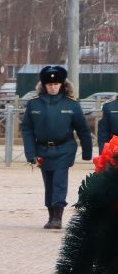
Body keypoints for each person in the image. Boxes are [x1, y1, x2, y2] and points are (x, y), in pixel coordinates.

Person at [22, 64, 92, 230]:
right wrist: (30, 153)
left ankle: (57, 217)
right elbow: (27, 129)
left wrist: (87, 152)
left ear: (62, 84)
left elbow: (82, 128)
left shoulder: (72, 104)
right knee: (49, 182)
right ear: (44, 85)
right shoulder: (34, 104)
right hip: (42, 150)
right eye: (49, 84)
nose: (53, 87)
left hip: (64, 149)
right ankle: (50, 213)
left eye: (56, 84)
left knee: (59, 181)